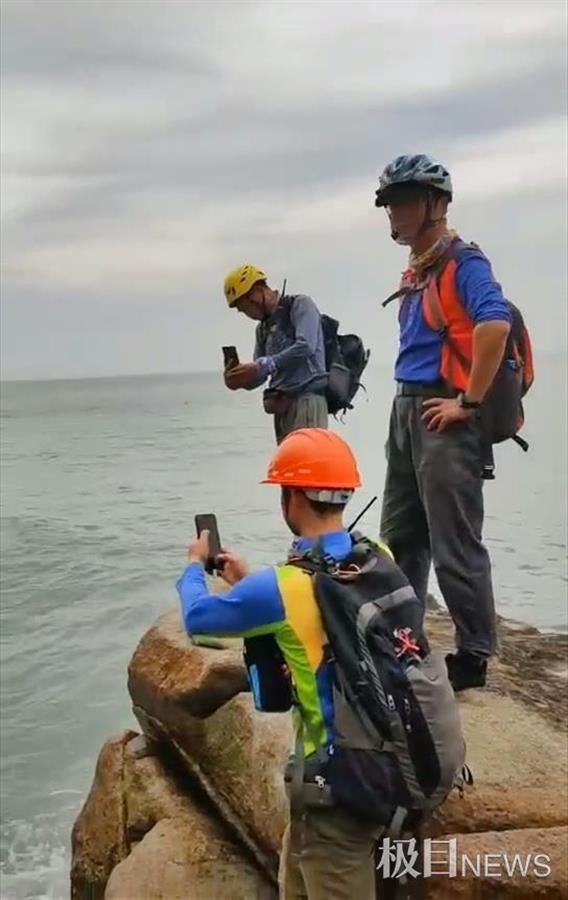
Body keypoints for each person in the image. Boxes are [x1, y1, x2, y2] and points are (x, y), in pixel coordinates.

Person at [177, 429, 385, 899]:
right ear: (346, 493)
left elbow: (197, 620)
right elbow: (322, 614)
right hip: (384, 759)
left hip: (337, 781)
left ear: (292, 498)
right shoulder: (378, 557)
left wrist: (194, 566)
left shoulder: (281, 587)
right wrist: (249, 580)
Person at [374, 153, 512, 692]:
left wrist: (469, 404)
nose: (393, 212)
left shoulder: (463, 262)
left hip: (444, 413)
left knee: (454, 541)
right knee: (402, 536)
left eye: (404, 200)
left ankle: (474, 656)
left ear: (436, 203)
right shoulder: (420, 267)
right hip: (407, 409)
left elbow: (494, 325)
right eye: (389, 202)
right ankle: (404, 639)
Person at [222, 264, 328, 443]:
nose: (246, 314)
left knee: (307, 461)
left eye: (245, 307)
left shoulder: (300, 305)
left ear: (257, 292)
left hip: (307, 399)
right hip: (281, 406)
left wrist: (265, 364)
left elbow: (306, 345)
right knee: (289, 466)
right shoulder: (263, 328)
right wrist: (241, 379)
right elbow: (261, 373)